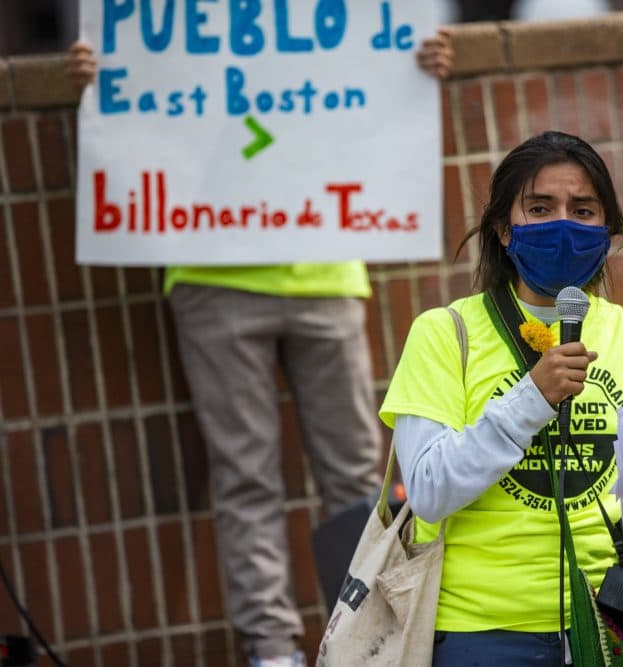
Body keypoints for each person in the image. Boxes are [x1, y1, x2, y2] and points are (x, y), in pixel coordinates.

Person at [65, 32, 454, 667]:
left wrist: (410, 68)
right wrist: (101, 85)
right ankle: (276, 652)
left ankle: (369, 644)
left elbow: (365, 87)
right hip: (216, 270)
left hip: (316, 267)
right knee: (265, 477)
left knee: (354, 478)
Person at [379, 130, 623, 666]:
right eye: (540, 208)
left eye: (583, 211)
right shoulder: (445, 334)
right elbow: (427, 492)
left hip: (604, 626)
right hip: (479, 633)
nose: (563, 225)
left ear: (608, 233)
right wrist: (529, 400)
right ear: (503, 229)